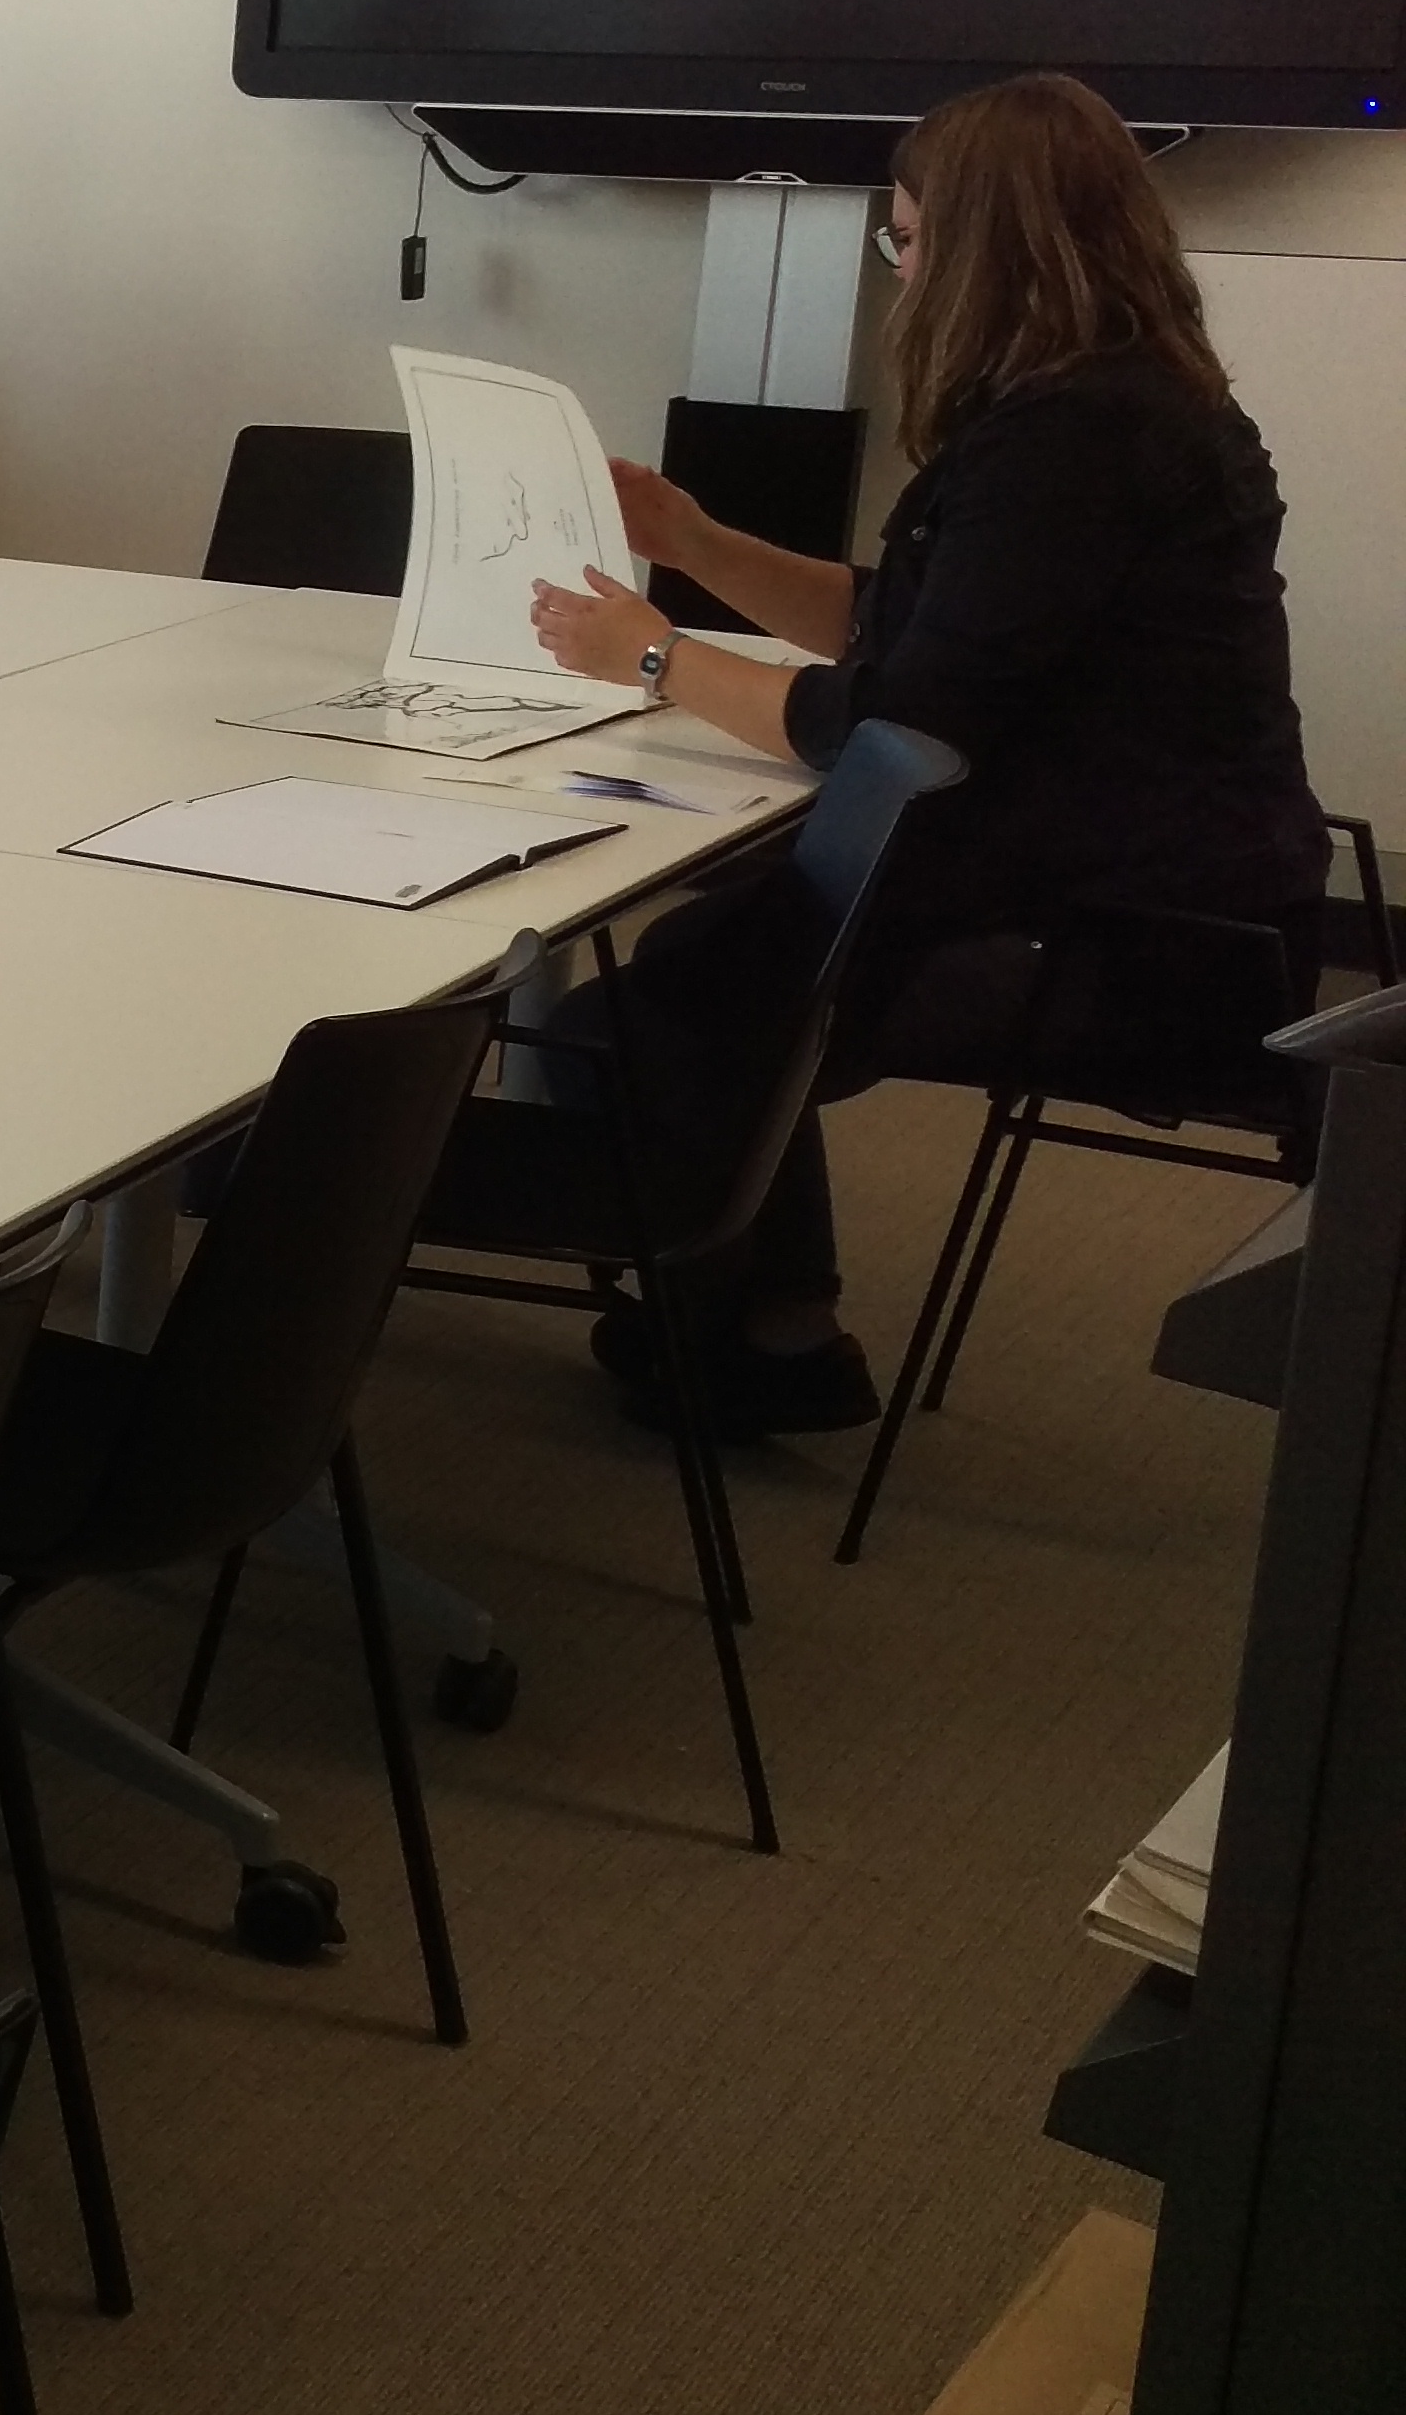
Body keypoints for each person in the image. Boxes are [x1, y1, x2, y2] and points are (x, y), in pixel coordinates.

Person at [518, 70, 1324, 1428]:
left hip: (1137, 944)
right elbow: (901, 629)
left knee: (679, 997)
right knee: (718, 953)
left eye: (903, 238)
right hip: (1149, 876)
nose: (899, 269)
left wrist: (651, 656)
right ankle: (774, 1326)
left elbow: (891, 729)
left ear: (979, 252)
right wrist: (696, 545)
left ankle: (755, 1343)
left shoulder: (1077, 441)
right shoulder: (1111, 406)